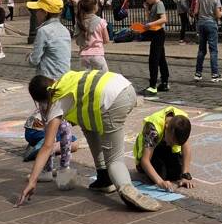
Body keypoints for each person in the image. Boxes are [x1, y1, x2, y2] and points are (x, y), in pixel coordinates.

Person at [16, 70, 162, 211]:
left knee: (114, 159)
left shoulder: (56, 102)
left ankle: (126, 189)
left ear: (40, 100)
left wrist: (32, 180)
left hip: (113, 100)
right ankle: (103, 177)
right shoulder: (66, 80)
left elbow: (48, 146)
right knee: (87, 125)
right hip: (126, 88)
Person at [134, 106, 195, 191]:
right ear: (166, 127)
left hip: (164, 147)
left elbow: (186, 147)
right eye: (171, 142)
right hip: (152, 150)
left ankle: (166, 164)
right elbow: (145, 160)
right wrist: (160, 182)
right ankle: (140, 168)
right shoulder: (153, 128)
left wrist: (185, 175)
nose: (172, 145)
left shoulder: (182, 122)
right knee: (159, 175)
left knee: (176, 174)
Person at [28, 0, 73, 79]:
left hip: (48, 79)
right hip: (64, 78)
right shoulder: (65, 30)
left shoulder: (43, 31)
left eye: (38, 10)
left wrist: (29, 57)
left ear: (45, 13)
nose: (36, 13)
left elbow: (34, 60)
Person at [142, 0, 170, 96]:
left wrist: (150, 24)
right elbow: (151, 18)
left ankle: (153, 85)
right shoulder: (153, 5)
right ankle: (164, 82)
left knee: (153, 60)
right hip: (155, 33)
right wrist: (146, 9)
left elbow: (164, 19)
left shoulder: (159, 4)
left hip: (158, 33)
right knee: (161, 59)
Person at [76, 0, 110, 73]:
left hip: (83, 56)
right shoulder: (101, 21)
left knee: (86, 80)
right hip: (97, 55)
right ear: (95, 7)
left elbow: (78, 42)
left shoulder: (79, 22)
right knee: (103, 78)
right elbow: (106, 40)